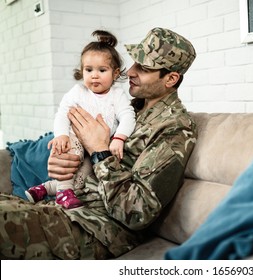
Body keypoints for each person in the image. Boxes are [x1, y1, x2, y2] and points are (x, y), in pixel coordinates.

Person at [0, 27, 197, 259]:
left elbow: (136, 213)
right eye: (134, 62)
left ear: (171, 79)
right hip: (67, 202)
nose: (130, 71)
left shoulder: (174, 128)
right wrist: (61, 163)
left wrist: (100, 152)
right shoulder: (129, 107)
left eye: (143, 68)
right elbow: (71, 132)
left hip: (98, 226)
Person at [24, 30, 136, 210]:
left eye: (102, 70)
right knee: (70, 156)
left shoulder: (117, 95)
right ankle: (62, 194)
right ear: (82, 70)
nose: (94, 75)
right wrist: (61, 135)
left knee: (82, 179)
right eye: (88, 70)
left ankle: (46, 188)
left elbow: (128, 116)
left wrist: (119, 138)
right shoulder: (78, 92)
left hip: (97, 148)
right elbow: (62, 113)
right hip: (76, 138)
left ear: (115, 74)